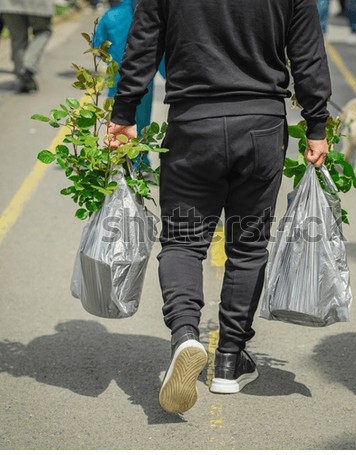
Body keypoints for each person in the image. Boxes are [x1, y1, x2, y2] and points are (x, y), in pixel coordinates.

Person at [107, 0, 331, 414]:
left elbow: (142, 43)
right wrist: (316, 124)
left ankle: (186, 336)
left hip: (193, 125)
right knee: (247, 246)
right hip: (261, 126)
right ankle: (229, 360)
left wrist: (123, 112)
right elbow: (307, 52)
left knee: (183, 242)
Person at [93, 0, 165, 167]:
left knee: (118, 122)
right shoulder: (148, 13)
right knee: (142, 121)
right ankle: (141, 161)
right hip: (144, 80)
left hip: (117, 81)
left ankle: (119, 163)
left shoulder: (110, 16)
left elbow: (98, 46)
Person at [0, 0, 54, 93]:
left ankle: (23, 78)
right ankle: (28, 66)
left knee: (18, 39)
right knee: (43, 32)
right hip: (39, 5)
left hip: (9, 5)